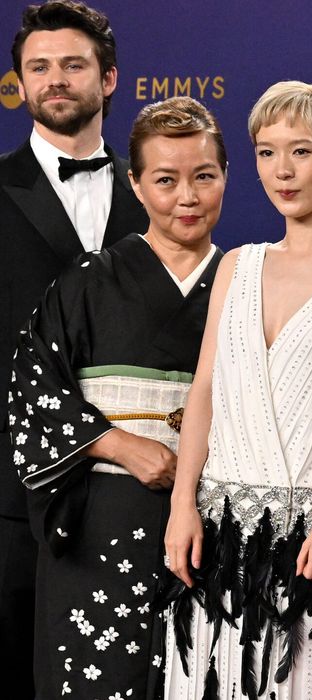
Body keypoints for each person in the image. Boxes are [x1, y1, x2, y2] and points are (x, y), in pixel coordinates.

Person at [160, 81, 312, 699]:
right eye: (266, 153)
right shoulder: (236, 265)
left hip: (309, 540)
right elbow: (206, 394)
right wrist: (181, 505)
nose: (281, 171)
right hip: (213, 539)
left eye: (300, 151)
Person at [10, 96, 225, 700]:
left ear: (225, 178)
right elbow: (32, 390)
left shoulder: (248, 284)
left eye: (203, 177)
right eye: (165, 179)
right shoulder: (83, 282)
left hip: (216, 514)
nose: (187, 197)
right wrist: (124, 446)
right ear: (134, 183)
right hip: (102, 515)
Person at [0, 2, 147, 693]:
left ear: (109, 78)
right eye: (39, 67)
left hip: (127, 499)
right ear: (20, 84)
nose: (55, 80)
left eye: (73, 65)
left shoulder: (157, 201)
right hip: (7, 495)